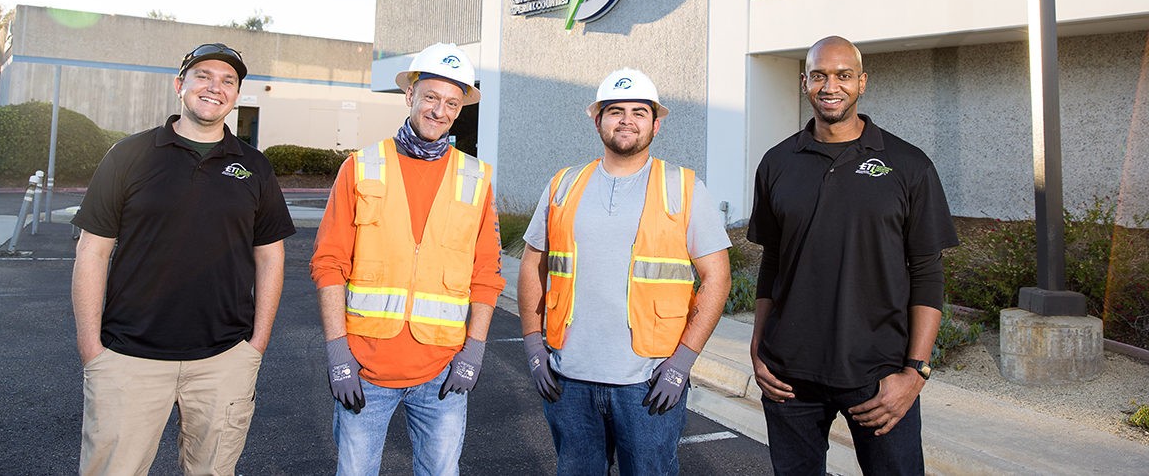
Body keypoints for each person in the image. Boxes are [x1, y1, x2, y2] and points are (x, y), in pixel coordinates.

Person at [71, 43, 294, 475]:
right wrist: (91, 350)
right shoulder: (129, 156)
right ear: (180, 85)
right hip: (128, 358)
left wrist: (256, 346)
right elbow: (91, 250)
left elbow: (270, 257)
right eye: (204, 76)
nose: (216, 87)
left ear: (236, 95)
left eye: (228, 81)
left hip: (223, 360)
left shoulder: (255, 167)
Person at [747, 35, 959, 475]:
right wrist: (758, 347)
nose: (831, 86)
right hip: (789, 376)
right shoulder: (776, 162)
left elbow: (927, 273)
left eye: (843, 75)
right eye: (820, 75)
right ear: (805, 81)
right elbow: (772, 263)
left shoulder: (908, 164)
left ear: (862, 82)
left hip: (878, 374)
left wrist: (915, 371)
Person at [518, 68, 732, 475]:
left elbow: (717, 277)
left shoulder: (684, 188)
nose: (627, 120)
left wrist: (682, 364)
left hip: (648, 382)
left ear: (657, 122)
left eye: (639, 111)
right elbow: (534, 264)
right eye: (615, 111)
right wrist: (532, 345)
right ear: (597, 119)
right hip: (569, 379)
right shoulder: (563, 184)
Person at [310, 42, 504, 476]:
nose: (440, 110)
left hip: (443, 371)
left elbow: (487, 274)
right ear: (409, 95)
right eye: (431, 97)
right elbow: (328, 262)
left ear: (460, 110)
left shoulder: (475, 178)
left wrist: (475, 348)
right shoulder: (360, 168)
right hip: (366, 367)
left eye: (452, 103)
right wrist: (337, 351)